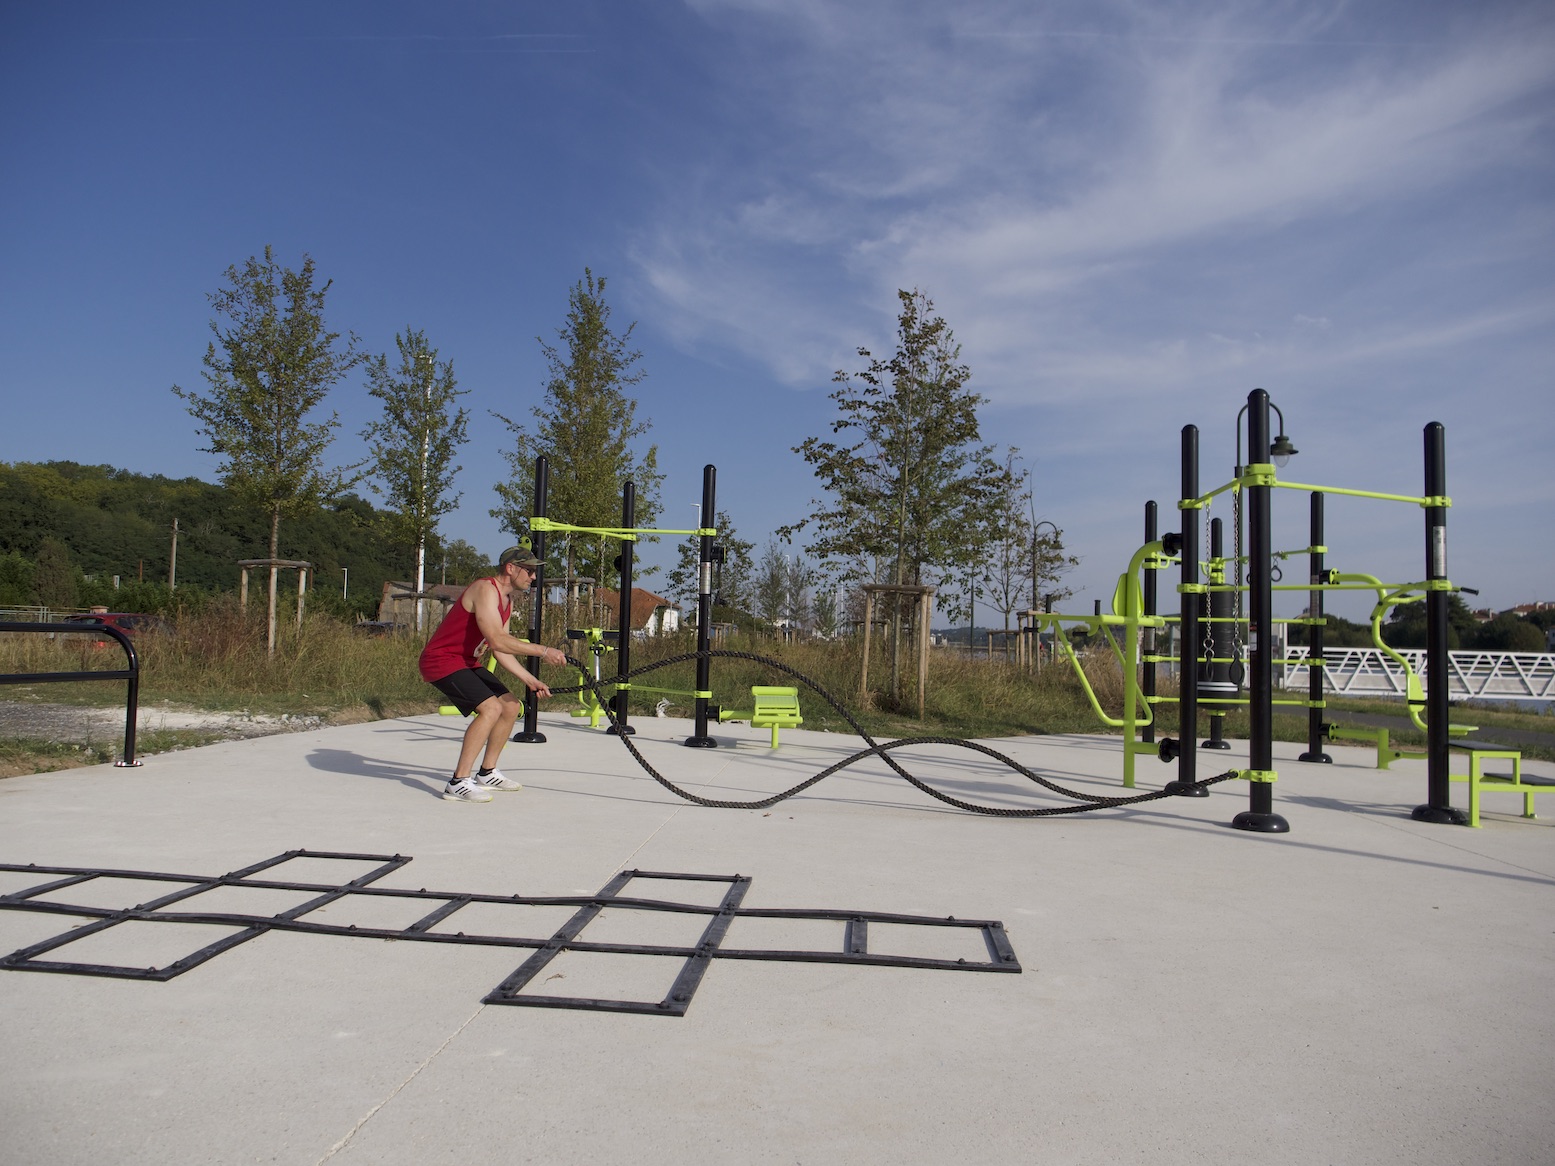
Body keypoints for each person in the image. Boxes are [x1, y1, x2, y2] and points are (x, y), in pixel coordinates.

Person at [418, 544, 567, 803]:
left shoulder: (506, 601)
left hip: (466, 662)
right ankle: (458, 781)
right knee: (490, 709)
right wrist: (543, 651)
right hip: (440, 661)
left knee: (510, 706)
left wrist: (530, 680)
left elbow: (501, 650)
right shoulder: (485, 589)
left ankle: (487, 773)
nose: (533, 577)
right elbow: (497, 641)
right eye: (529, 571)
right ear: (510, 568)